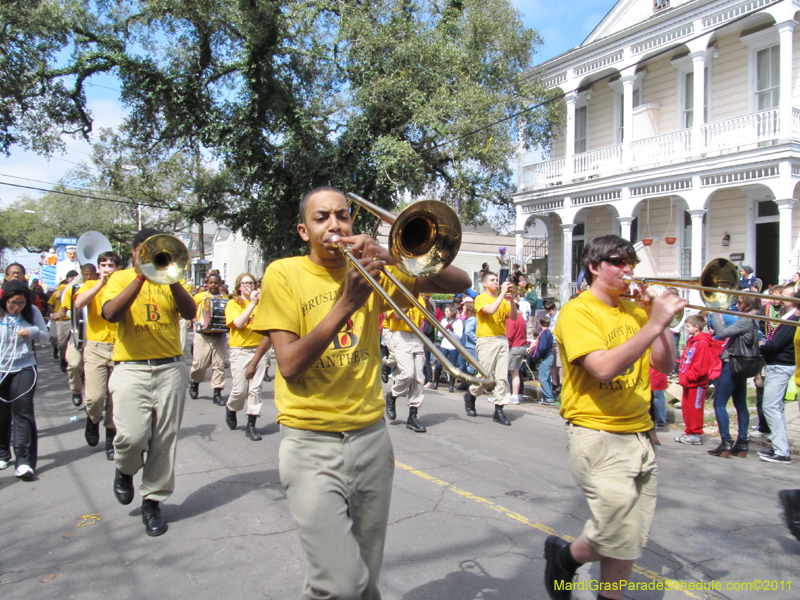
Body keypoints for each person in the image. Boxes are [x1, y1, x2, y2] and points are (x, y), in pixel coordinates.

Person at [251, 186, 469, 599]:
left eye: (343, 215)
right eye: (321, 218)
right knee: (341, 583)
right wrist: (346, 305)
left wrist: (394, 258)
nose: (335, 225)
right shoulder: (283, 273)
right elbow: (290, 366)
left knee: (364, 577)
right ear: (303, 230)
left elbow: (460, 282)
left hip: (371, 438)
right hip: (310, 441)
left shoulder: (376, 267)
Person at [544, 234, 685, 600]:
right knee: (617, 535)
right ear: (593, 266)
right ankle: (564, 559)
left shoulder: (636, 310)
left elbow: (665, 364)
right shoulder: (578, 311)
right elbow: (603, 368)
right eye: (618, 262)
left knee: (631, 540)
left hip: (640, 436)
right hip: (598, 435)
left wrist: (661, 321)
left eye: (631, 263)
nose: (628, 270)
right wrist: (654, 324)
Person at [102, 228, 196, 537]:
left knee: (164, 440)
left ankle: (153, 501)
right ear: (133, 253)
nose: (150, 257)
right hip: (131, 368)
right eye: (145, 251)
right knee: (131, 436)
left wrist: (171, 277)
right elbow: (112, 313)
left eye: (156, 252)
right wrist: (141, 277)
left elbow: (190, 311)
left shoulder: (170, 279)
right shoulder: (118, 279)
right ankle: (125, 468)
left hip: (170, 367)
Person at [73, 251, 120, 459]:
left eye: (111, 265)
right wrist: (100, 284)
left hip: (120, 347)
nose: (107, 269)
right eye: (103, 265)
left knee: (114, 399)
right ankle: (92, 420)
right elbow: (78, 304)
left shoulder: (123, 286)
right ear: (98, 268)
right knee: (94, 397)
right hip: (95, 347)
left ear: (117, 268)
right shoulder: (89, 285)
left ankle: (111, 437)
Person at [0, 280, 50, 479]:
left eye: (21, 303)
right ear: (5, 300)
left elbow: (45, 336)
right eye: (12, 303)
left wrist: (33, 331)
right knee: (2, 413)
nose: (16, 308)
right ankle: (3, 452)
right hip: (2, 370)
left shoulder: (32, 312)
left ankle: (24, 462)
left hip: (24, 367)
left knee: (22, 412)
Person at [708, 296, 760, 458]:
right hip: (741, 364)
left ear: (746, 304)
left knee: (719, 403)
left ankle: (726, 442)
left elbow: (722, 333)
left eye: (739, 302)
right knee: (740, 403)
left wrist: (715, 312)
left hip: (733, 363)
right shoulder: (754, 319)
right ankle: (742, 443)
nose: (736, 305)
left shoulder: (747, 320)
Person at [464, 271, 517, 425]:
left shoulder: (503, 300)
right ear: (485, 283)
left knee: (501, 377)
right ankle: (471, 395)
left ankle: (499, 410)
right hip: (486, 340)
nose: (496, 282)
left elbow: (513, 317)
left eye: (496, 280)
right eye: (492, 280)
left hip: (501, 339)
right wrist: (503, 295)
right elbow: (490, 310)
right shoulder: (480, 298)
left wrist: (511, 300)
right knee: (485, 376)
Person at [224, 272, 271, 441]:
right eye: (245, 284)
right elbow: (238, 323)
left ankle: (251, 424)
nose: (249, 286)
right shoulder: (233, 304)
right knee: (239, 390)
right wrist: (251, 304)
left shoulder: (261, 304)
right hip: (240, 350)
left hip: (259, 350)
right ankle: (231, 407)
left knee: (255, 389)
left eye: (251, 283)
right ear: (238, 287)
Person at [756, 286, 799, 465]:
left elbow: (776, 345)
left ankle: (782, 451)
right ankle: (779, 446)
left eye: (786, 296)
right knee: (776, 408)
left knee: (770, 407)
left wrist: (759, 347)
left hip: (780, 365)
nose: (781, 298)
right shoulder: (788, 317)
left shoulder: (793, 319)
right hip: (778, 364)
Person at [384, 296, 428, 432]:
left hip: (417, 335)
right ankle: (392, 396)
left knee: (419, 378)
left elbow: (427, 319)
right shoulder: (394, 294)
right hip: (401, 335)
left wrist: (427, 300)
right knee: (408, 374)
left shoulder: (420, 297)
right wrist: (410, 299)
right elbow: (396, 315)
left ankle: (413, 416)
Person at [674, 314, 715, 445]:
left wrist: (690, 376)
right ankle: (689, 431)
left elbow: (701, 365)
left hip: (696, 383)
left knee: (695, 410)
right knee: (687, 408)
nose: (686, 329)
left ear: (697, 327)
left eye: (688, 326)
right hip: (688, 382)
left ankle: (696, 433)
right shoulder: (692, 341)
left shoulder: (702, 343)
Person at [189, 273, 229, 405]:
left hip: (219, 336)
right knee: (199, 364)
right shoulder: (200, 297)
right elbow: (191, 311)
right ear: (207, 284)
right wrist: (195, 322)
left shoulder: (226, 298)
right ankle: (195, 383)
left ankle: (217, 393)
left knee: (219, 365)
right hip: (203, 335)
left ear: (220, 284)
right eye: (211, 283)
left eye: (216, 283)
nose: (213, 285)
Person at [62, 264, 99, 407]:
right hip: (77, 335)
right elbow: (64, 309)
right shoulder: (73, 290)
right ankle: (76, 390)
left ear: (96, 275)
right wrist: (58, 314)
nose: (88, 277)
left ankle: (92, 401)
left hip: (94, 336)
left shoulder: (100, 288)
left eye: (91, 275)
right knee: (74, 364)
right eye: (85, 275)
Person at [48, 271, 78, 372]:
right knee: (61, 342)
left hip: (75, 318)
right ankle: (62, 359)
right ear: (68, 279)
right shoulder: (63, 287)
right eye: (71, 278)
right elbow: (57, 297)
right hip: (63, 320)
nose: (74, 279)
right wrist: (69, 286)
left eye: (76, 277)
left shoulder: (81, 286)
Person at [434, 303, 463, 393]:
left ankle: (451, 384)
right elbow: (439, 334)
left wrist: (452, 330)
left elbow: (459, 336)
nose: (445, 313)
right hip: (444, 345)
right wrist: (444, 330)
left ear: (452, 312)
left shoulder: (459, 322)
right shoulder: (443, 321)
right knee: (439, 364)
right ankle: (435, 382)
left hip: (453, 346)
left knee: (452, 365)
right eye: (445, 311)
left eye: (447, 311)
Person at [506, 306, 527, 405]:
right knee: (517, 372)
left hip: (514, 346)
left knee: (513, 373)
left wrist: (506, 346)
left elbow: (509, 335)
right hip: (521, 345)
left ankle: (514, 395)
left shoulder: (512, 319)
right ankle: (518, 394)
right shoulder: (522, 318)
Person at [535, 316, 555, 405]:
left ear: (540, 324)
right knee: (546, 378)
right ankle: (546, 396)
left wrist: (538, 356)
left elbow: (542, 347)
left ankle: (549, 398)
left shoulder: (543, 334)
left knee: (542, 378)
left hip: (545, 357)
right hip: (549, 356)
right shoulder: (549, 333)